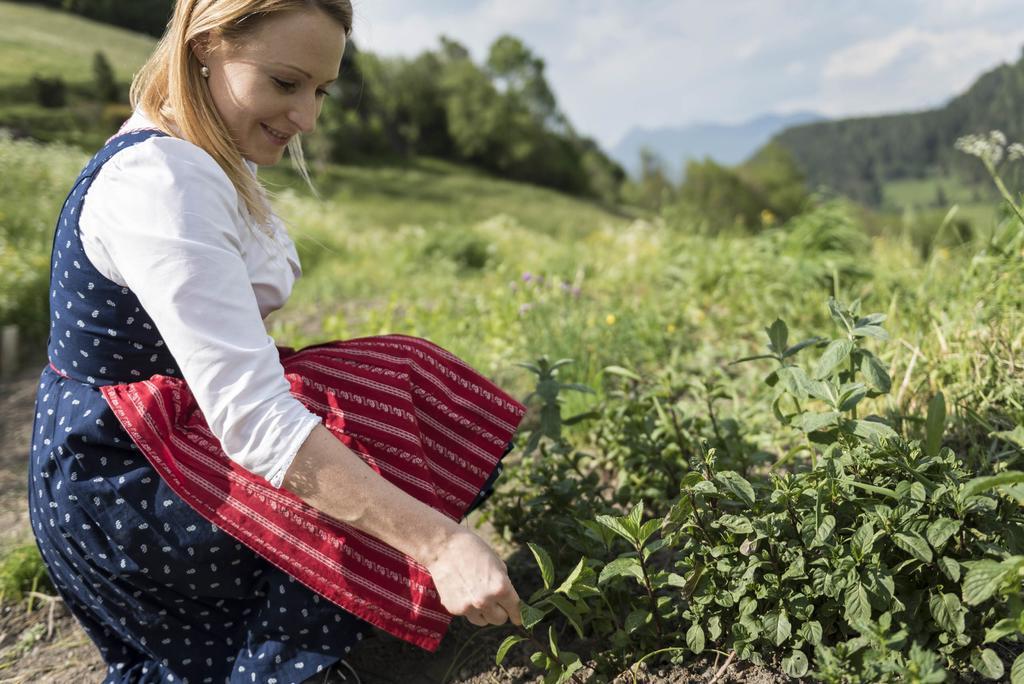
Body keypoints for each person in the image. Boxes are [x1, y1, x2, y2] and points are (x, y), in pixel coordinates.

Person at [27, 1, 524, 682]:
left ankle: (303, 633)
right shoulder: (162, 183)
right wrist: (439, 546)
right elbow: (255, 419)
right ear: (207, 46)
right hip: (122, 490)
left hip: (146, 449)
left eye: (319, 91)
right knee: (355, 407)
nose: (307, 119)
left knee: (389, 378)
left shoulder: (200, 150)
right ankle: (281, 658)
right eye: (286, 84)